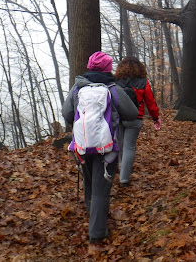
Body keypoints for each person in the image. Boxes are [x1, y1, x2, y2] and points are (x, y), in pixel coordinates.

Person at [62, 51, 138, 243]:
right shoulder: (112, 89)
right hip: (107, 148)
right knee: (101, 188)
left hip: (82, 145)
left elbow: (67, 113)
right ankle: (97, 232)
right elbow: (132, 113)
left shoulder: (77, 88)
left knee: (90, 182)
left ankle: (94, 215)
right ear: (107, 68)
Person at [115, 56, 161, 187]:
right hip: (135, 118)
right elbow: (150, 102)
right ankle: (124, 178)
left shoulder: (116, 81)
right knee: (129, 147)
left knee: (121, 145)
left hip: (118, 118)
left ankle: (121, 167)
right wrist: (156, 118)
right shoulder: (143, 82)